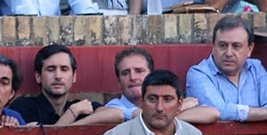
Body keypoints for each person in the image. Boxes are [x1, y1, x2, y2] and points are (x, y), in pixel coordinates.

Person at [185, 14, 267, 123]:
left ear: (249, 49)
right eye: (222, 45)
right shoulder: (198, 73)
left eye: (236, 46)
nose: (229, 53)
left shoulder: (255, 68)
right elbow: (219, 111)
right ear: (213, 47)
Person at [85, 46, 220, 126]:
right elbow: (140, 115)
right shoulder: (114, 106)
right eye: (125, 73)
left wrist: (163, 120)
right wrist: (176, 112)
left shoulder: (165, 105)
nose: (133, 77)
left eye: (139, 71)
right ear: (118, 81)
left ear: (151, 75)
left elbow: (212, 113)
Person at [93, 69, 209, 135]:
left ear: (179, 105)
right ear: (142, 102)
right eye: (152, 99)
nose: (159, 108)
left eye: (167, 99)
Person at [9, 43, 96, 125]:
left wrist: (78, 123)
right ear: (38, 76)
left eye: (64, 69)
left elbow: (109, 113)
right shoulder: (23, 106)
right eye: (51, 69)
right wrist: (72, 113)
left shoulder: (81, 107)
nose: (58, 76)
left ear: (73, 76)